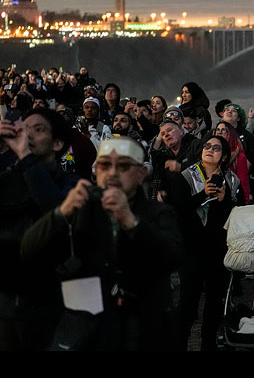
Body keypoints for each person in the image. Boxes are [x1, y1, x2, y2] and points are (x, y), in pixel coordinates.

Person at [20, 137, 184, 351]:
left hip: (145, 327)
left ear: (141, 173)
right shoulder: (79, 208)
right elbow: (29, 249)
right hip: (87, 330)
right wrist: (61, 213)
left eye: (124, 166)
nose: (113, 173)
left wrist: (130, 222)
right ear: (96, 170)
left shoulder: (158, 213)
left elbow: (172, 256)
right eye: (105, 165)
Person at [0, 107, 78, 351]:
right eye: (24, 128)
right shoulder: (10, 177)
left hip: (50, 307)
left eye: (38, 129)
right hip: (6, 307)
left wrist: (24, 155)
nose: (27, 134)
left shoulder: (71, 184)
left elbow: (54, 212)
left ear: (57, 143)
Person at [164, 133, 244, 350]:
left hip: (220, 250)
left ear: (225, 155)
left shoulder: (232, 180)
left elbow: (238, 215)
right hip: (192, 249)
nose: (210, 149)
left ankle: (208, 345)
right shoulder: (186, 176)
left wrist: (223, 199)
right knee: (188, 303)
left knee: (214, 303)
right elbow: (177, 210)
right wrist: (202, 195)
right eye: (206, 146)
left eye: (216, 148)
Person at [215, 120, 251, 204]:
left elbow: (243, 182)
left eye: (223, 130)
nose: (219, 132)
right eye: (218, 129)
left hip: (230, 198)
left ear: (230, 134)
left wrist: (245, 204)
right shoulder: (209, 152)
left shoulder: (239, 157)